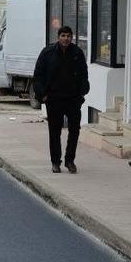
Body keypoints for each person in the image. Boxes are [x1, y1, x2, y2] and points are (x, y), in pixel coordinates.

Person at [33, 26, 90, 174]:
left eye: (69, 36)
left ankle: (70, 160)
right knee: (54, 131)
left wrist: (82, 93)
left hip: (73, 98)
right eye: (63, 35)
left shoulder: (77, 53)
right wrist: (43, 95)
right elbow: (38, 75)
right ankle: (55, 162)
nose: (66, 39)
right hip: (54, 98)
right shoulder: (48, 53)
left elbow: (84, 74)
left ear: (72, 38)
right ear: (58, 37)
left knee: (74, 131)